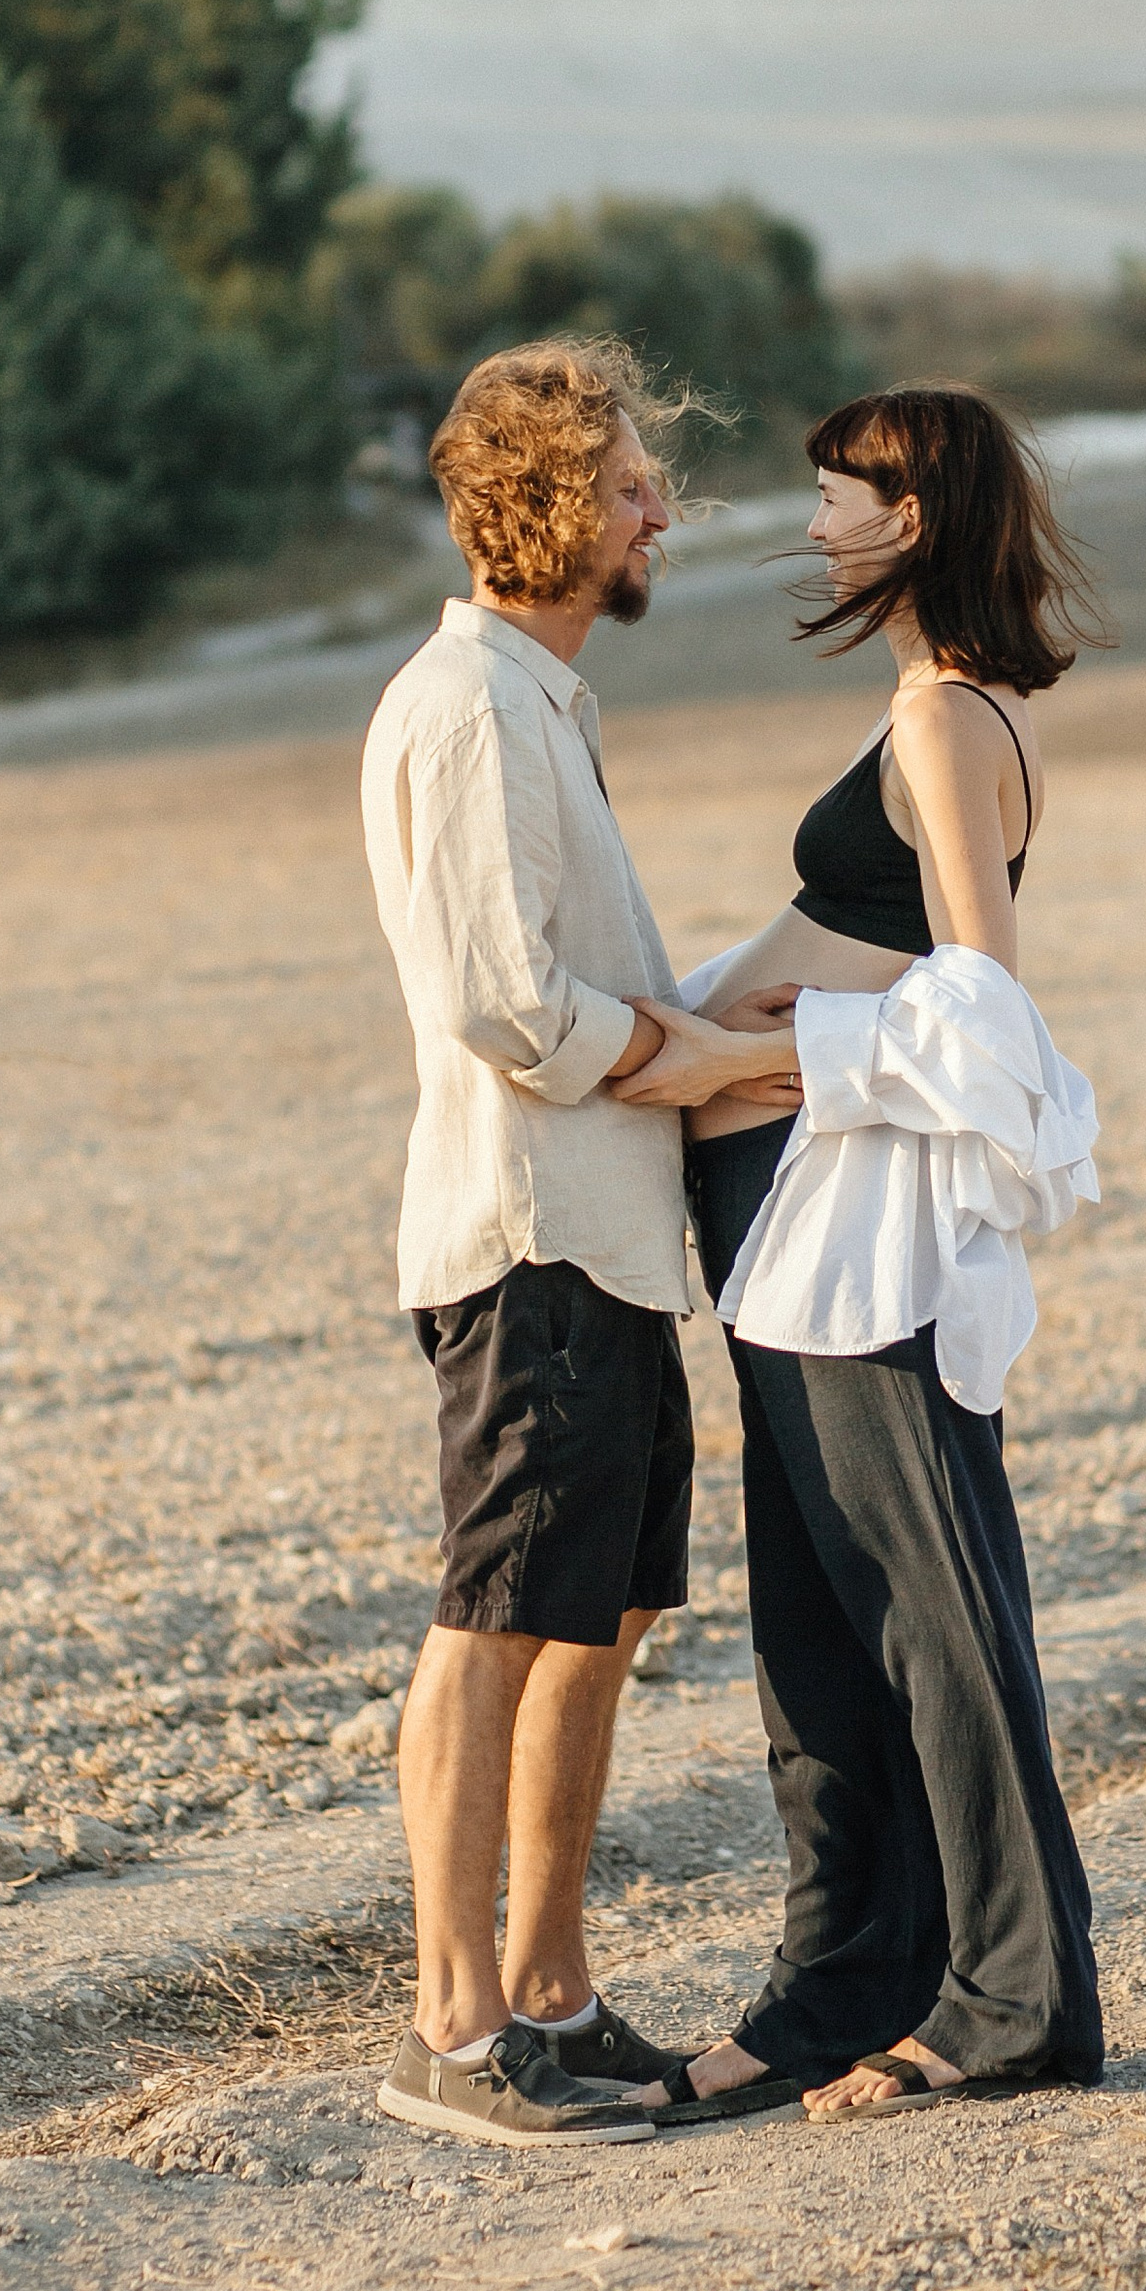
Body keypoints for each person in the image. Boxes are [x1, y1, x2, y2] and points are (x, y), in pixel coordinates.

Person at [606, 385, 1106, 2122]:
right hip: (785, 1225)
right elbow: (867, 954)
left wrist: (744, 1051)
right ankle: (844, 1988)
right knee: (822, 1632)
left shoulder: (953, 723)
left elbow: (985, 1017)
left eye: (836, 496)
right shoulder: (912, 709)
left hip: (853, 1229)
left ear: (912, 518)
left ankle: (1016, 2005)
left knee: (936, 1621)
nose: (811, 523)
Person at [358, 338, 796, 2148]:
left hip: (609, 1242)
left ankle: (555, 1993)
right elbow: (502, 1002)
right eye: (628, 488)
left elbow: (584, 984)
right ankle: (455, 2034)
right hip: (528, 1238)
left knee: (597, 1622)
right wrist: (694, 1055)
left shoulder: (547, 703)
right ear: (544, 507)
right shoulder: (465, 710)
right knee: (496, 1619)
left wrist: (746, 1016)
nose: (658, 516)